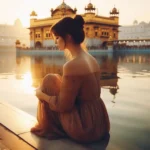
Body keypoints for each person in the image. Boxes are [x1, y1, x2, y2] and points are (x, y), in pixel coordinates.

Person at [31, 15, 110, 143]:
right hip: (100, 123)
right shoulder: (91, 59)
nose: (55, 42)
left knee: (47, 82)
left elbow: (64, 106)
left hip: (85, 128)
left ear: (68, 37)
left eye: (57, 38)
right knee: (52, 79)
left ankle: (50, 128)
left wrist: (41, 94)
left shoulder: (72, 65)